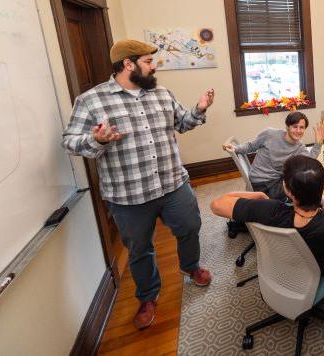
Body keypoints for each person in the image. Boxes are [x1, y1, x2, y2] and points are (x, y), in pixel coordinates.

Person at [62, 39, 215, 330]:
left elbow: (182, 123)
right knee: (140, 249)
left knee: (190, 227)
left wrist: (199, 108)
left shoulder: (161, 93)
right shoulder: (91, 100)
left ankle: (190, 267)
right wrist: (97, 140)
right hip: (128, 196)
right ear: (128, 64)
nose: (153, 65)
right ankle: (148, 296)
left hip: (173, 184)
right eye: (147, 61)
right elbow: (69, 142)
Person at [210, 155, 324, 276]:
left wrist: (259, 194)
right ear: (323, 186)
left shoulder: (270, 210)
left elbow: (216, 205)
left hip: (279, 267)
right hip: (318, 271)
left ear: (287, 190)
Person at [222, 111, 324, 201]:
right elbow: (251, 146)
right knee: (304, 190)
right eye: (295, 126)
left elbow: (308, 162)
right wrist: (235, 148)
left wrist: (318, 144)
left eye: (301, 127)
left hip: (277, 181)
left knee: (304, 181)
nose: (298, 131)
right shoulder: (270, 134)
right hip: (262, 183)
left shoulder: (299, 147)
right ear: (287, 126)